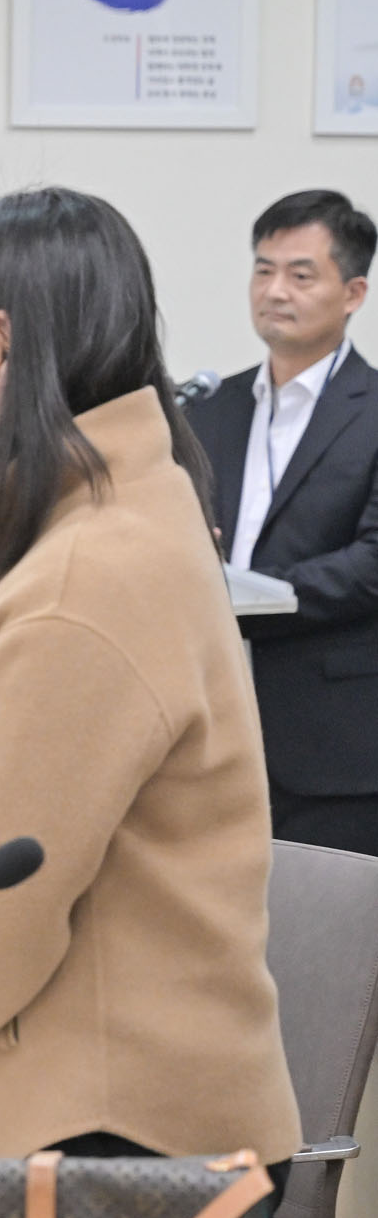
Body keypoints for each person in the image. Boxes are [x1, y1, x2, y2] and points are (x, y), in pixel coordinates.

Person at [0, 189, 303, 1175]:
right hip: (75, 1123)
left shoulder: (86, 574)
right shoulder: (97, 520)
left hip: (108, 1153)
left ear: (1, 342)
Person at [186, 189, 378, 858]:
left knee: (326, 921)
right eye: (263, 270)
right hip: (208, 730)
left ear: (353, 293)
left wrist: (255, 594)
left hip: (333, 745)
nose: (274, 291)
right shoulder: (208, 405)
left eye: (301, 274)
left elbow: (372, 565)